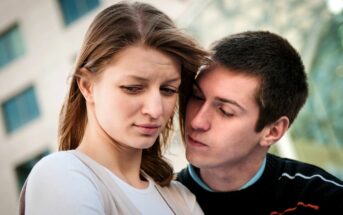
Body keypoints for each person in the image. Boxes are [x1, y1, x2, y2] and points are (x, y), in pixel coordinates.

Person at [20, 1, 208, 214]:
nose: (155, 111)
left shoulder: (181, 198)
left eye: (168, 90)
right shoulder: (61, 174)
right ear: (87, 86)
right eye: (133, 88)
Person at [176, 31, 343, 214]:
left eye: (225, 111)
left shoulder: (325, 200)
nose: (197, 121)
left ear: (272, 131)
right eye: (197, 97)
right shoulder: (160, 202)